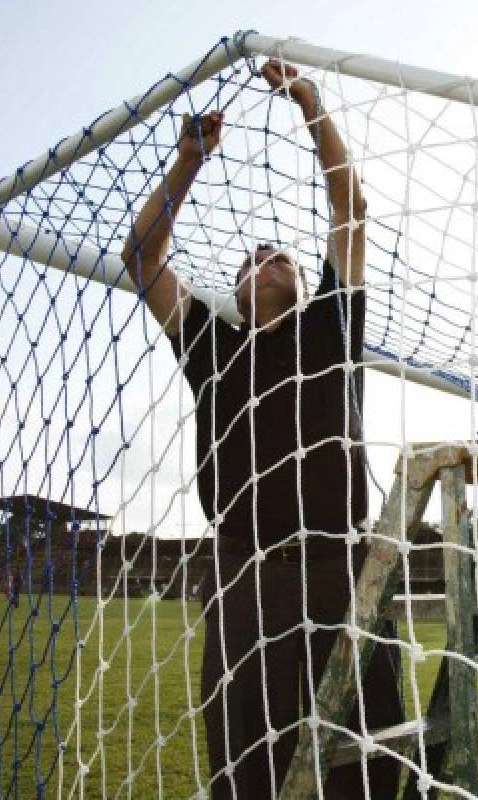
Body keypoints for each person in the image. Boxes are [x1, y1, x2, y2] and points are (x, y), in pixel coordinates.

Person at [121, 58, 402, 799]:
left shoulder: (329, 327)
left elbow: (351, 209)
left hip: (340, 568)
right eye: (252, 258)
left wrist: (310, 103)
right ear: (238, 292)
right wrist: (189, 161)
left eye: (280, 256)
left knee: (365, 759)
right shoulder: (212, 347)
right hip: (243, 575)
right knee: (249, 761)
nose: (265, 258)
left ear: (305, 285)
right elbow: (141, 257)